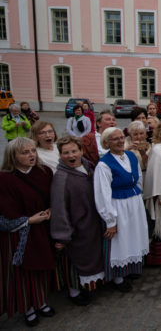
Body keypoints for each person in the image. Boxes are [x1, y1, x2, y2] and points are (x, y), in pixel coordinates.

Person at [0, 137, 56, 326]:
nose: (31, 155)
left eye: (33, 151)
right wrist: (28, 220)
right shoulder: (5, 178)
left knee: (42, 267)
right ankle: (27, 308)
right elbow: (5, 211)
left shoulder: (44, 171)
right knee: (24, 273)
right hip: (20, 233)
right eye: (25, 152)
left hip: (43, 228)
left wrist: (51, 210)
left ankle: (41, 302)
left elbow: (53, 196)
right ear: (13, 156)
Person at [49, 136, 104, 306]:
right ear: (60, 155)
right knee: (76, 260)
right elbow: (59, 209)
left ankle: (90, 285)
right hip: (76, 227)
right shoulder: (61, 177)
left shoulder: (89, 167)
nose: (71, 155)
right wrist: (61, 235)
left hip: (92, 223)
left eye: (74, 151)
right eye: (66, 153)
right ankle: (74, 292)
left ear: (81, 151)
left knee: (93, 255)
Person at [94, 127, 149, 291]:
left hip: (134, 202)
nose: (119, 141)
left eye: (121, 138)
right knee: (120, 239)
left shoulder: (131, 156)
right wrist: (110, 220)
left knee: (133, 235)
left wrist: (138, 196)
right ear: (106, 143)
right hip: (118, 205)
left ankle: (131, 267)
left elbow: (138, 178)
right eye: (114, 139)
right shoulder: (104, 165)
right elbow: (102, 194)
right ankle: (118, 277)